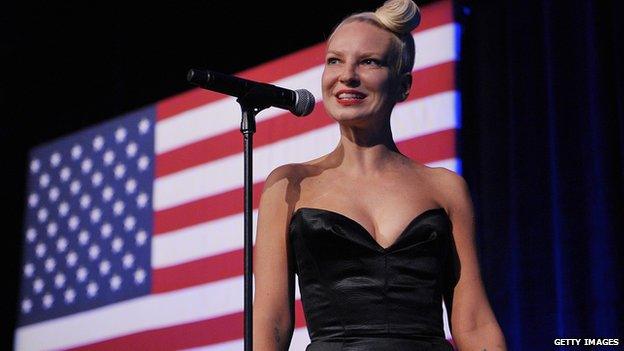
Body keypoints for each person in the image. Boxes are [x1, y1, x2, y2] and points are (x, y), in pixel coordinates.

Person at [253, 0, 507, 350]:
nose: (347, 75)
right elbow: (271, 323)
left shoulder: (445, 188)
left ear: (403, 85)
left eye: (368, 62)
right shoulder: (290, 185)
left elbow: (475, 323)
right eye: (334, 60)